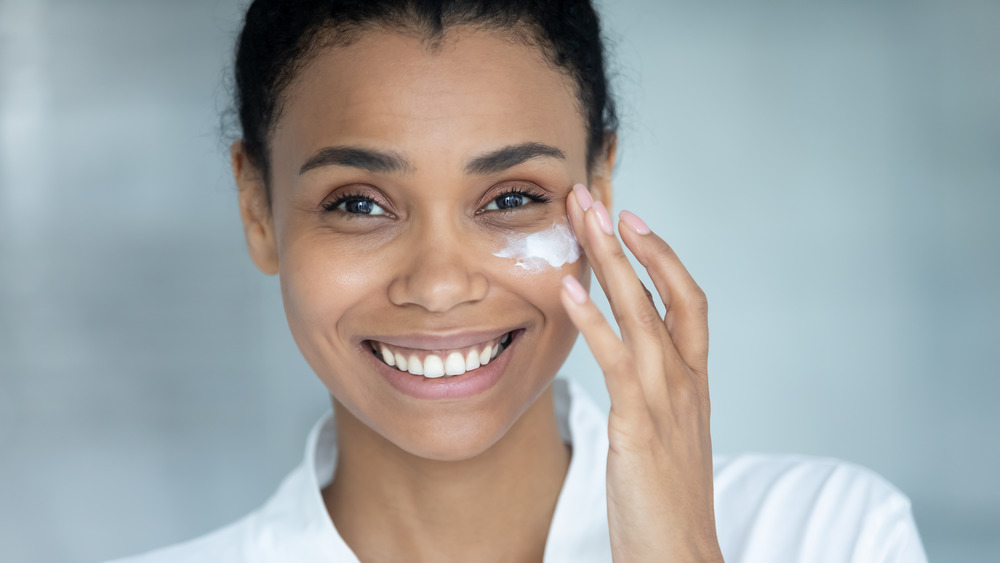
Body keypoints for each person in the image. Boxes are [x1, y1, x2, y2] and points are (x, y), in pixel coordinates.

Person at [112, 1, 927, 561]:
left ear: (597, 191)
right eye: (359, 202)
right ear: (258, 207)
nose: (438, 285)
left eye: (510, 199)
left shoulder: (825, 531)